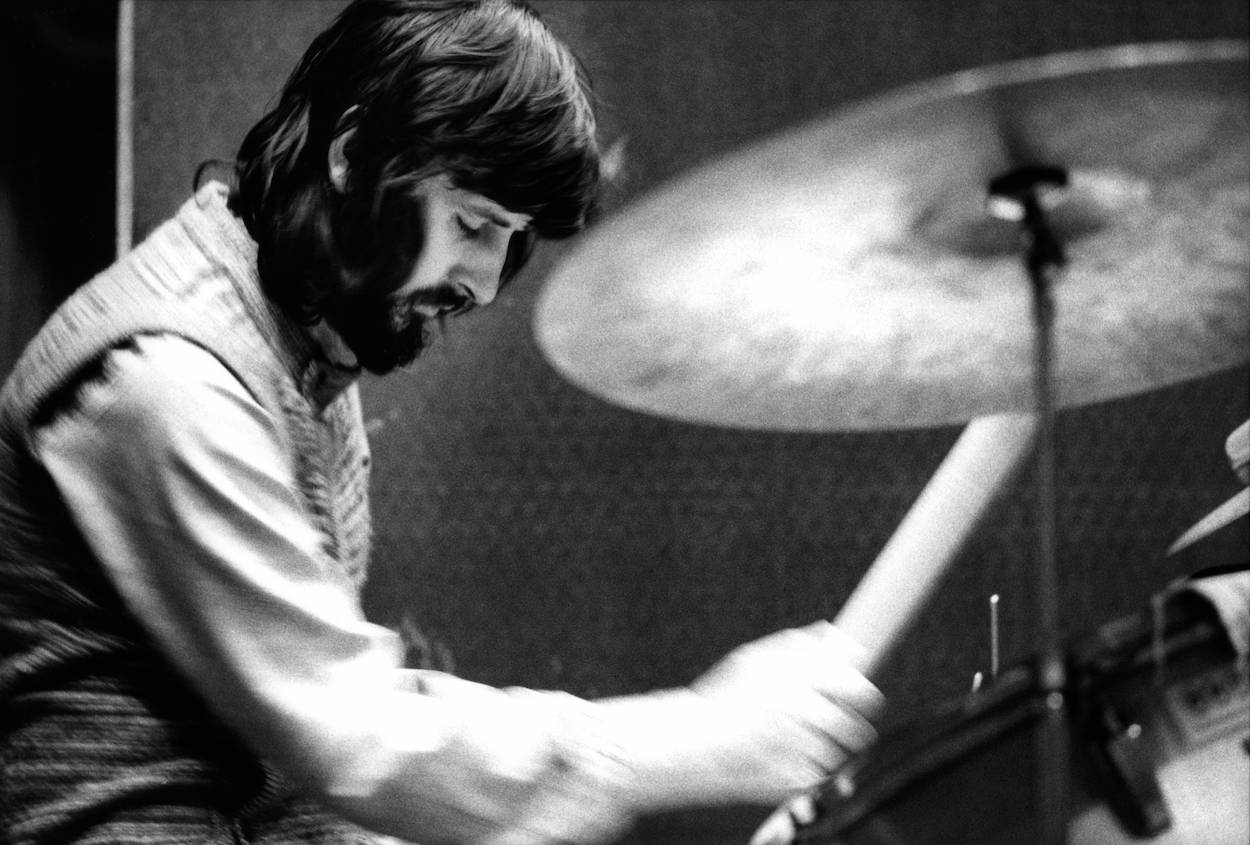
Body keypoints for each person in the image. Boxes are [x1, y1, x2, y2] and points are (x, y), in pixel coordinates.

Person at [0, 1, 883, 843]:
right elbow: (360, 738)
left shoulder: (297, 330)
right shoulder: (168, 378)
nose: (487, 282)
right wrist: (696, 737)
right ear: (352, 154)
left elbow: (332, 712)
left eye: (512, 238)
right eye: (473, 222)